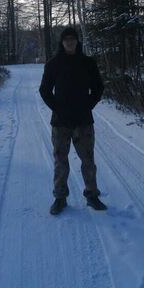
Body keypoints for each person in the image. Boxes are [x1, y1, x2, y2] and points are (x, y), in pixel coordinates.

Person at [39, 26, 107, 215]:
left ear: (77, 41)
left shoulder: (88, 63)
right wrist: (57, 108)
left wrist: (88, 105)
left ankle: (92, 195)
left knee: (88, 159)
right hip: (60, 122)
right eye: (66, 39)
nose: (70, 42)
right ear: (62, 42)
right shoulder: (53, 64)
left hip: (83, 120)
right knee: (60, 160)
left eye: (73, 38)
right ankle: (60, 198)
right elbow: (44, 90)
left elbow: (98, 87)